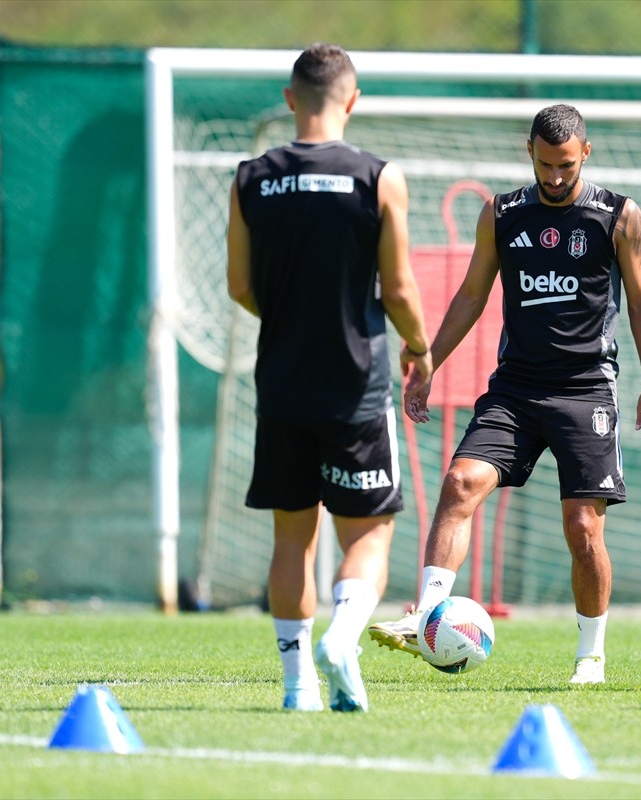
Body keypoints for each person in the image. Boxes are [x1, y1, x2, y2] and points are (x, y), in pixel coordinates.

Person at [369, 104, 641, 685]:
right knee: (459, 483)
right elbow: (473, 294)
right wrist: (428, 360)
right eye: (545, 163)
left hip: (586, 390)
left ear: (586, 153)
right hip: (516, 389)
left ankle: (591, 656)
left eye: (565, 166)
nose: (555, 177)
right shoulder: (502, 214)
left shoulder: (619, 216)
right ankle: (426, 615)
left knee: (583, 527)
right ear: (527, 149)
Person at [226, 43, 432, 712]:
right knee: (368, 535)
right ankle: (343, 636)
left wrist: (290, 317)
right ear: (352, 99)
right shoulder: (378, 177)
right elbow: (399, 287)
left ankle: (298, 689)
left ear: (290, 100)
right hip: (357, 385)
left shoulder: (250, 177)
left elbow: (239, 287)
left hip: (282, 384)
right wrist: (420, 347)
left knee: (292, 536)